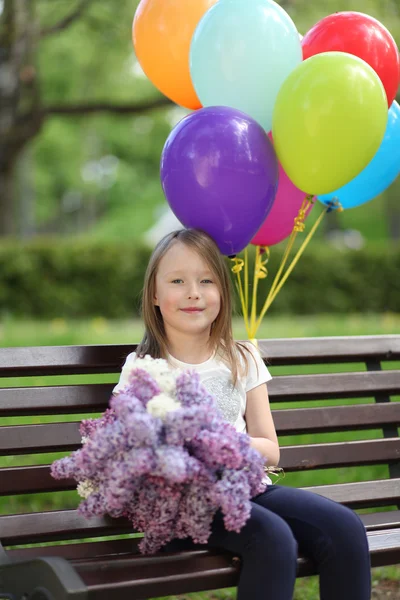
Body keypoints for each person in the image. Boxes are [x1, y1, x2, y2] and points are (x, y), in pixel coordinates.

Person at [113, 228, 371, 600]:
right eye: (177, 281)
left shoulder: (241, 358)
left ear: (223, 291)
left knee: (343, 526)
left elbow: (271, 449)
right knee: (272, 538)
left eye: (206, 280)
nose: (193, 292)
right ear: (154, 294)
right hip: (187, 503)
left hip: (249, 489)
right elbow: (128, 446)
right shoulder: (143, 367)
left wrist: (225, 443)